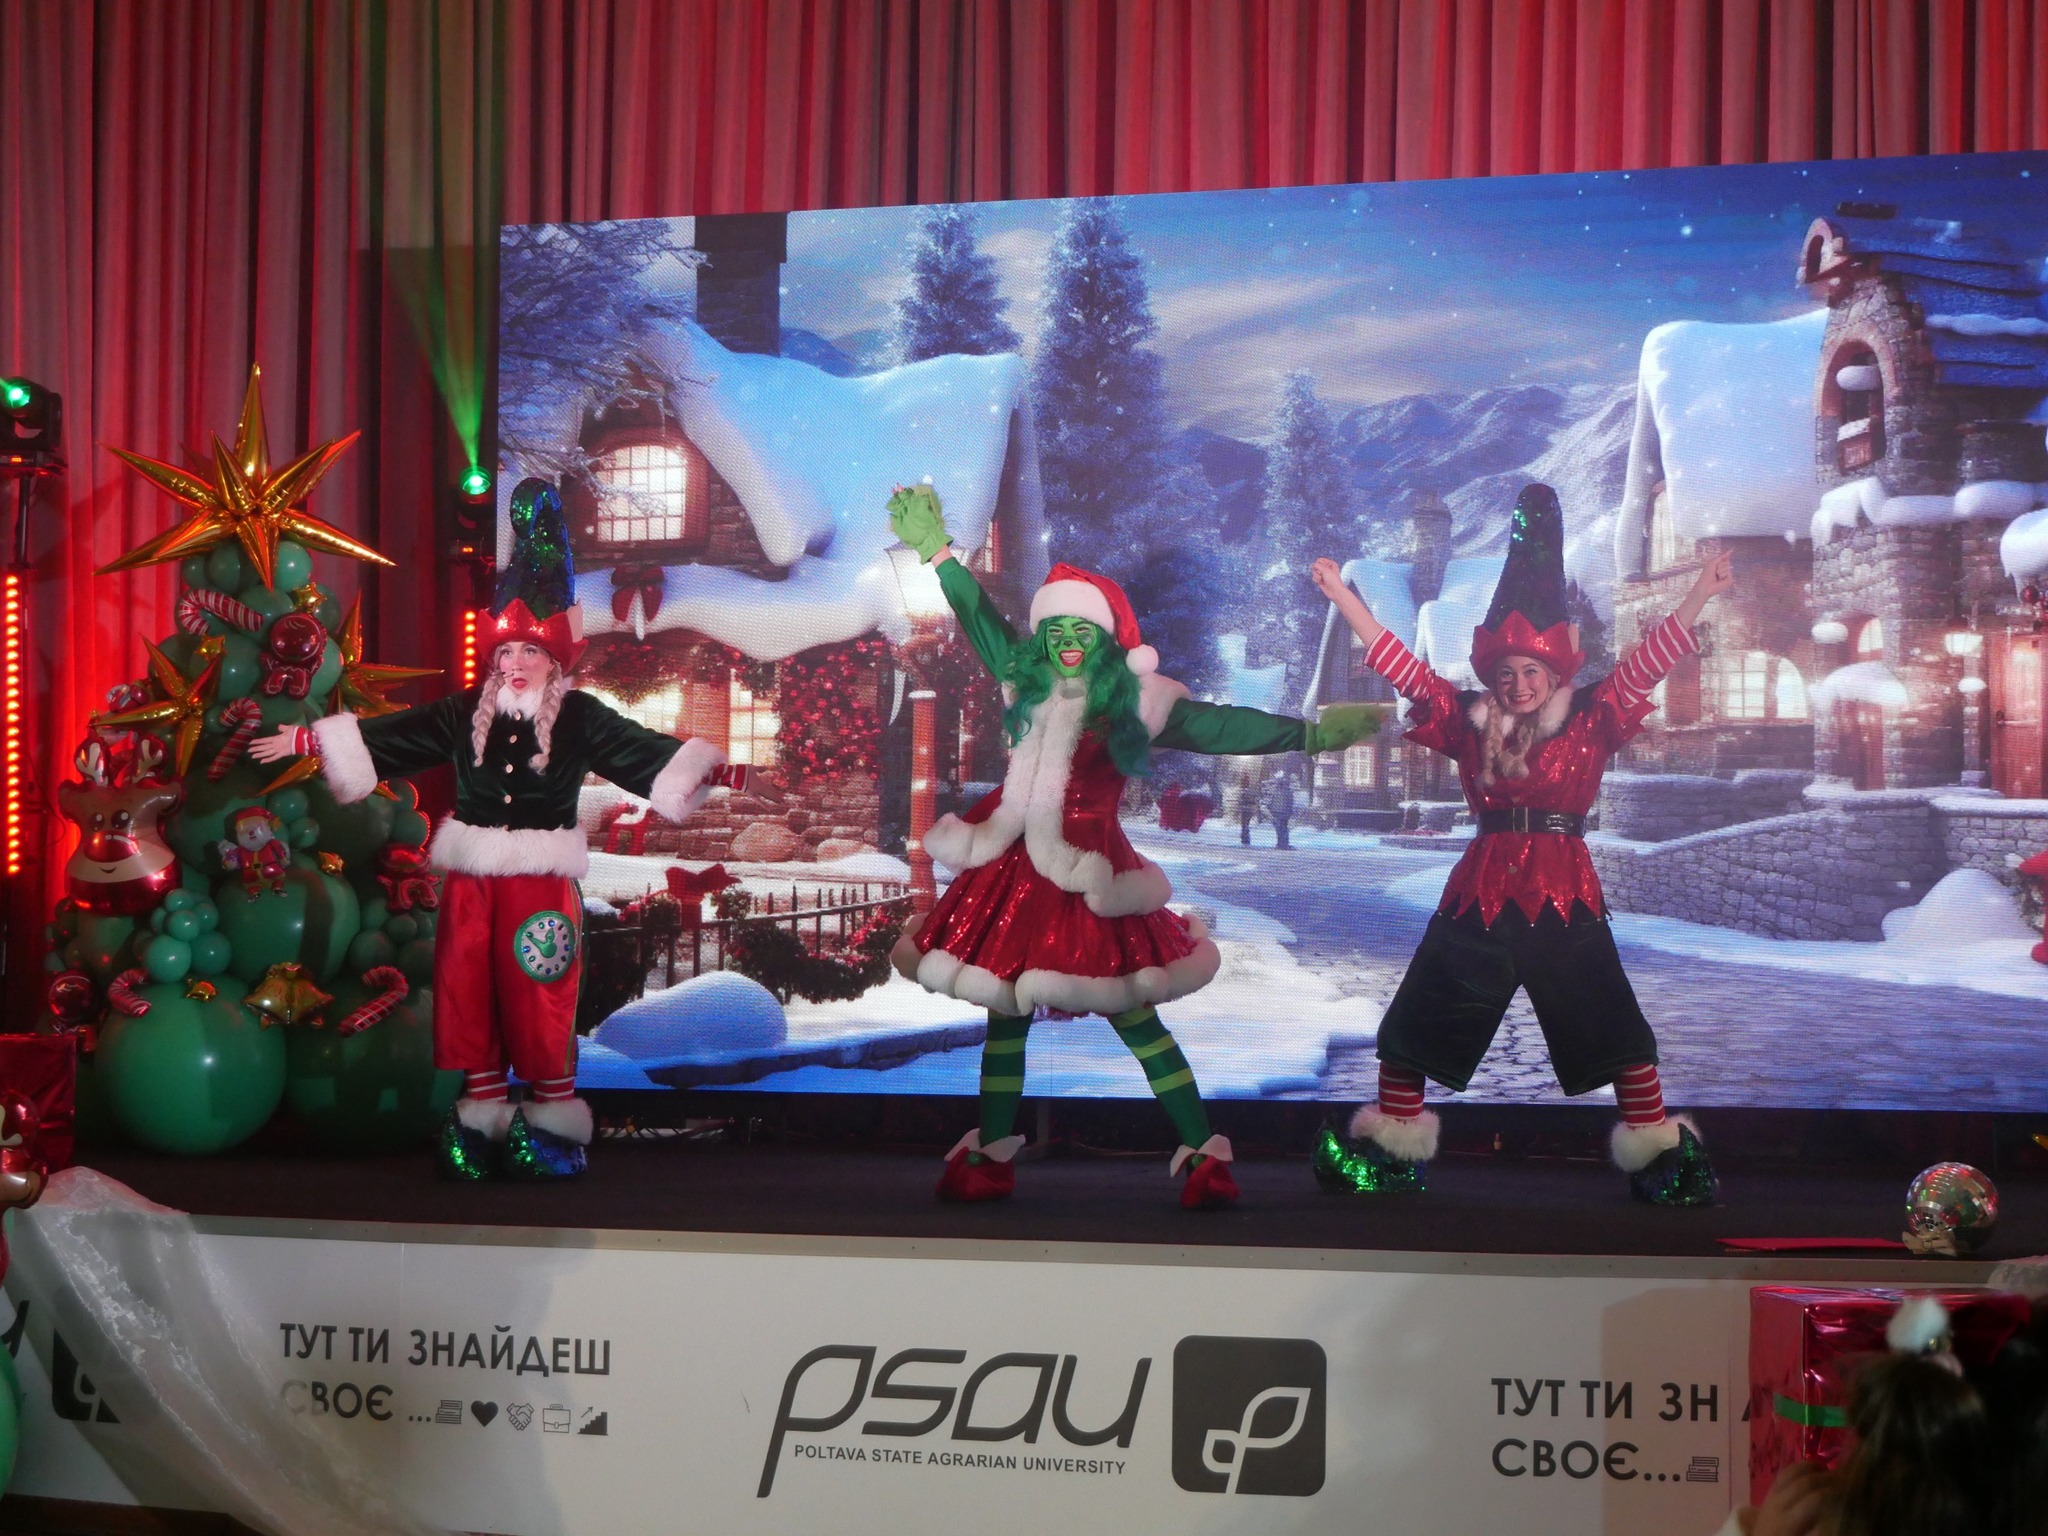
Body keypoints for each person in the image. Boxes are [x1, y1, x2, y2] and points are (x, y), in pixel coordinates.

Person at [885, 482, 1379, 1208]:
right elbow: (981, 620)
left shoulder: (1136, 707)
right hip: (1012, 874)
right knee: (1005, 1019)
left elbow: (1218, 727)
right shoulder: (1026, 685)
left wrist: (1305, 735)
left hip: (1090, 878)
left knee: (1135, 1016)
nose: (1068, 642)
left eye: (1082, 631)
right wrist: (939, 555)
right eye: (1057, 630)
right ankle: (990, 1156)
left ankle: (1204, 1156)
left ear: (1108, 642)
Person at [250, 478, 740, 1180]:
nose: (514, 666)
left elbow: (643, 752)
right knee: (466, 988)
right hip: (473, 881)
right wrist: (305, 741)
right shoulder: (465, 712)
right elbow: (397, 736)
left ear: (555, 659)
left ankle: (551, 1121)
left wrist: (721, 771)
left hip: (540, 886)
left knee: (540, 995)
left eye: (529, 654)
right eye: (506, 654)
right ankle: (480, 1114)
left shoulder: (579, 716)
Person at [1309, 482, 1732, 1204]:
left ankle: (1666, 1163)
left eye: (1532, 670)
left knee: (1615, 1031)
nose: (1519, 683)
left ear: (1555, 672)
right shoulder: (1466, 720)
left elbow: (1647, 663)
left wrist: (1700, 592)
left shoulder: (1593, 717)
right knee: (1414, 1025)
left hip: (1564, 897)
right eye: (1506, 673)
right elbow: (1400, 666)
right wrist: (1345, 599)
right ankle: (1392, 1155)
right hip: (1479, 897)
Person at [1263, 767, 1296, 850]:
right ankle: (1284, 844)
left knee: (1279, 829)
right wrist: (1291, 812)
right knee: (1284, 828)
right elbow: (1290, 802)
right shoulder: (1288, 791)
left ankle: (1280, 844)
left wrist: (1270, 810)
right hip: (1285, 812)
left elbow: (1269, 801)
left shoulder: (1273, 791)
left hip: (1276, 812)